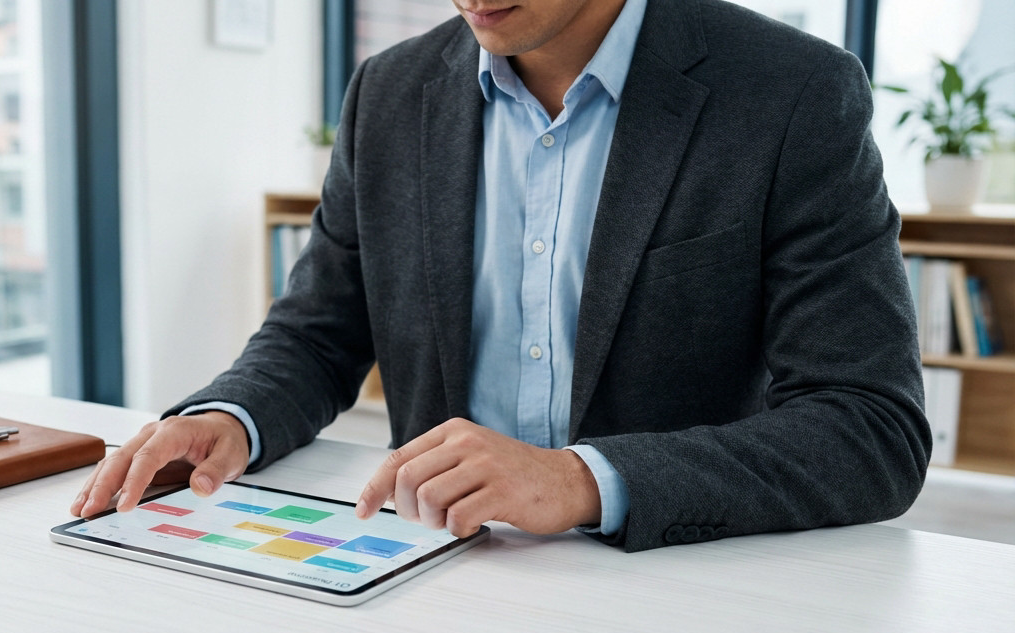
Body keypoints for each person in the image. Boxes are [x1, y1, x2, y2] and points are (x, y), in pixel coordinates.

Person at [72, 0, 931, 552]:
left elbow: (871, 428)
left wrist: (579, 479)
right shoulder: (390, 92)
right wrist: (233, 415)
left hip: (678, 589)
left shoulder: (791, 93)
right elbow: (317, 335)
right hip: (433, 573)